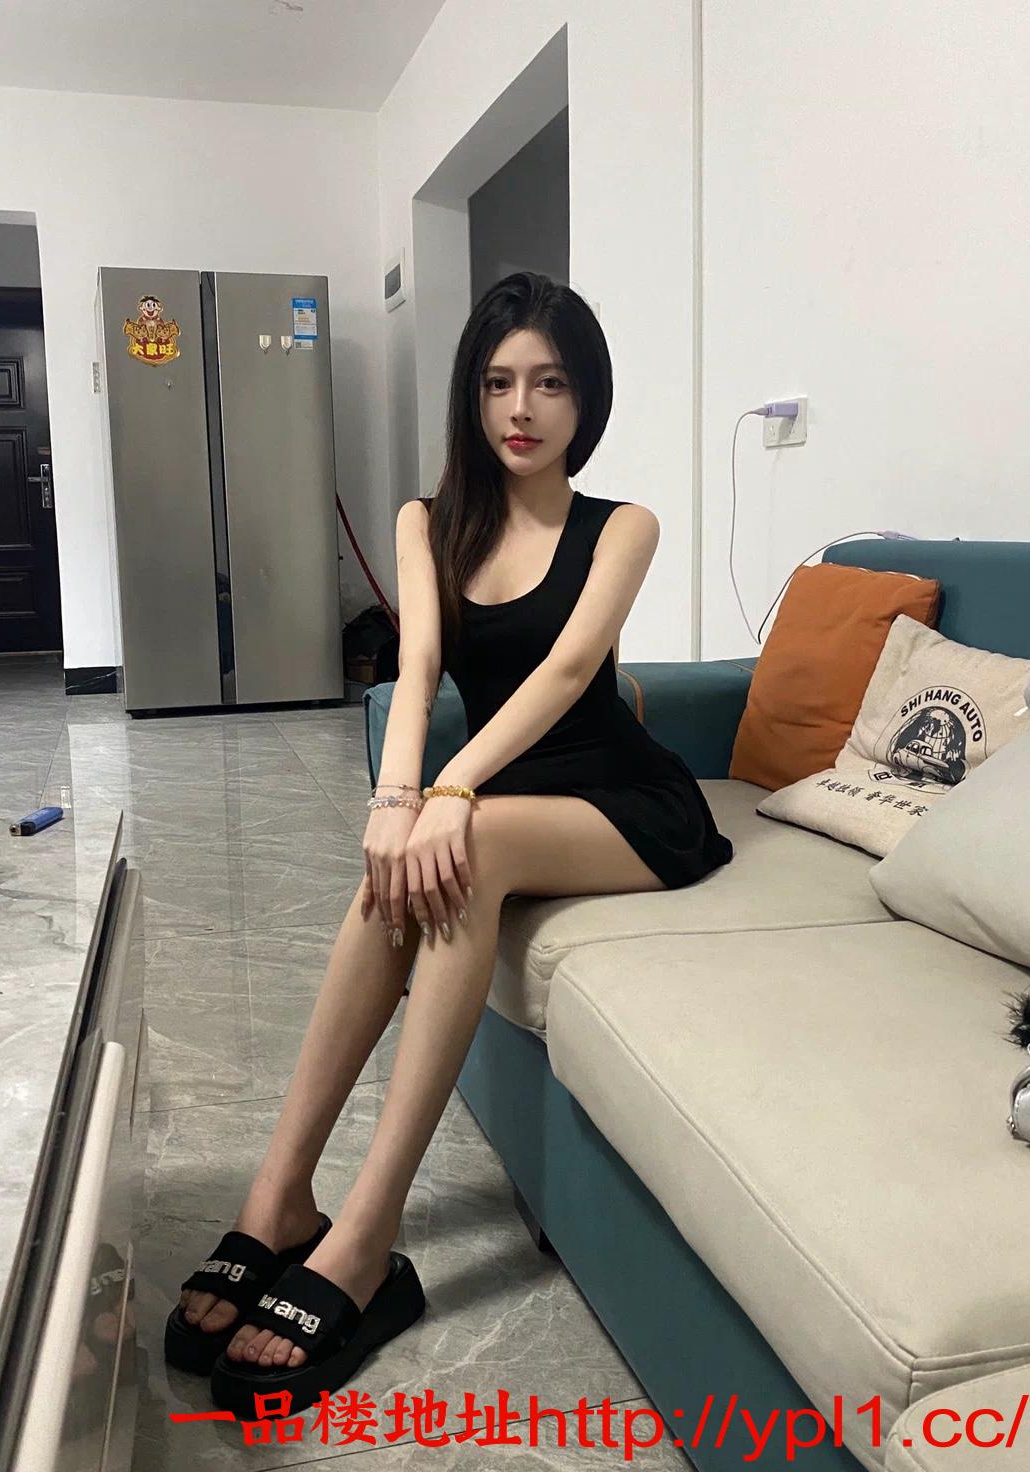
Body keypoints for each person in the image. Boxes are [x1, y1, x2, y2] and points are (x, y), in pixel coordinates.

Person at [165, 271, 733, 1413]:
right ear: (472, 396)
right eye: (499, 382)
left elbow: (569, 673)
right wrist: (397, 798)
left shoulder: (623, 526)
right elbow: (418, 664)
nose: (522, 408)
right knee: (398, 871)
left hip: (626, 802)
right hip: (508, 795)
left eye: (551, 383)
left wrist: (452, 786)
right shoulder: (428, 523)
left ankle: (365, 1237)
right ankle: (280, 1197)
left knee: (460, 853)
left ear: (586, 398)